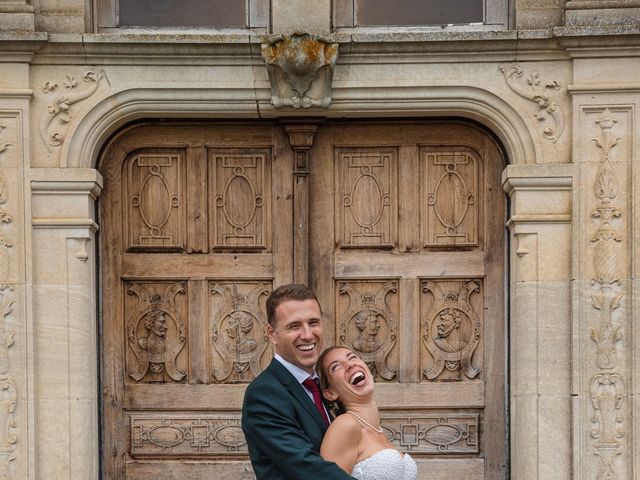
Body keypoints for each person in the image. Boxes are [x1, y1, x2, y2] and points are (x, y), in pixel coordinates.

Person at [242, 284, 356, 479]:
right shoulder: (264, 394)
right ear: (272, 334)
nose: (307, 335)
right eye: (294, 326)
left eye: (313, 323)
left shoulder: (328, 384)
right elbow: (307, 467)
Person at [318, 346, 417, 480]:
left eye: (352, 357)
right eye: (335, 367)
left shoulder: (377, 431)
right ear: (330, 393)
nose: (350, 365)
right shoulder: (345, 425)